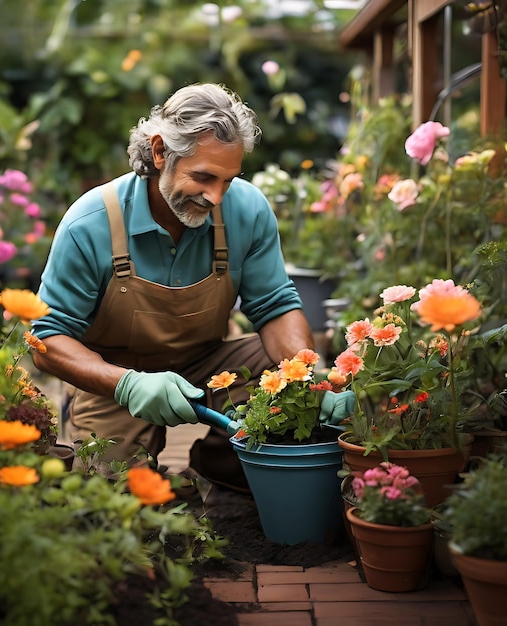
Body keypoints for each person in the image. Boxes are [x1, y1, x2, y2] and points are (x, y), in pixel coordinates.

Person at [31, 83, 350, 492]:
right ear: (160, 152)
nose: (216, 196)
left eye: (228, 181)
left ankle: (221, 466)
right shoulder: (90, 223)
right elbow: (45, 339)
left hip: (209, 366)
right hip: (114, 381)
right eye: (203, 177)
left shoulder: (247, 210)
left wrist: (313, 380)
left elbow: (275, 307)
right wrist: (129, 384)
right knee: (108, 498)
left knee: (286, 382)